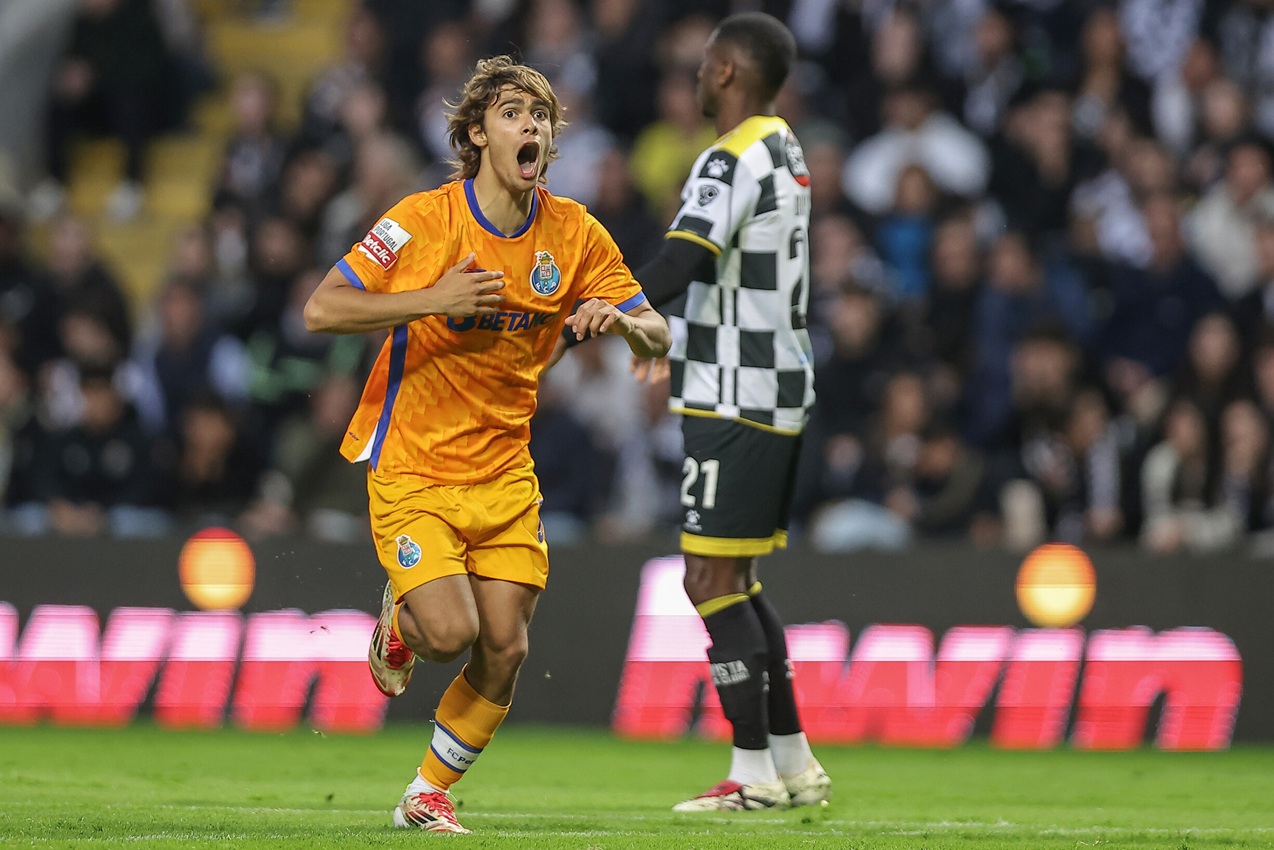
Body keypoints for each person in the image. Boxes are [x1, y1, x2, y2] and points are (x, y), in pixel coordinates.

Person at [302, 56, 670, 834]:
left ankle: (426, 794)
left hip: (503, 470)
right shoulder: (422, 220)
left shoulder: (574, 233)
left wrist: (624, 322)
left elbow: (657, 330)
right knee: (449, 634)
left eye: (540, 115)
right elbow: (323, 309)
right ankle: (401, 620)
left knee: (505, 648)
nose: (530, 125)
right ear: (477, 134)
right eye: (512, 113)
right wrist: (432, 298)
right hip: (415, 463)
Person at [562, 12, 832, 812]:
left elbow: (684, 258)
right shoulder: (784, 148)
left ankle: (752, 774)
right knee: (736, 577)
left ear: (726, 72)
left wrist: (604, 311)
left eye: (705, 62)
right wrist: (654, 326)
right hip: (773, 386)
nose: (695, 73)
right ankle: (793, 762)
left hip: (735, 392)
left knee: (708, 576)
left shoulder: (731, 154)